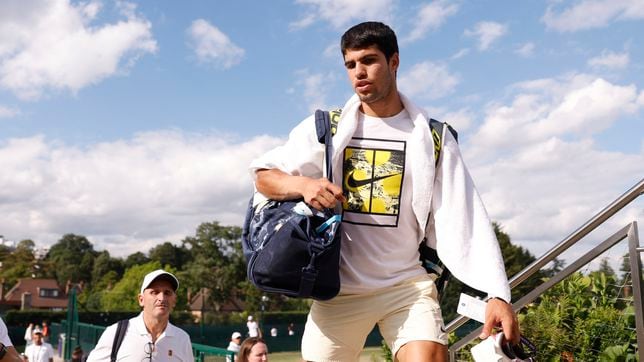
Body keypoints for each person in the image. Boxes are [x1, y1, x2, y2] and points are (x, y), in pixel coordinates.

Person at [249, 21, 519, 361]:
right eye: (350, 64)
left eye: (369, 60)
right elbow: (263, 176)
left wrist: (497, 293)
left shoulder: (433, 138)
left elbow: (465, 216)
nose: (359, 72)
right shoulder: (327, 128)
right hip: (339, 291)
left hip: (405, 287)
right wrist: (303, 184)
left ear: (394, 62)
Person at [86, 269, 194, 361]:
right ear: (141, 300)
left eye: (167, 293)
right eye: (154, 292)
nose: (161, 298)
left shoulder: (182, 339)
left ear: (174, 300)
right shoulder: (116, 333)